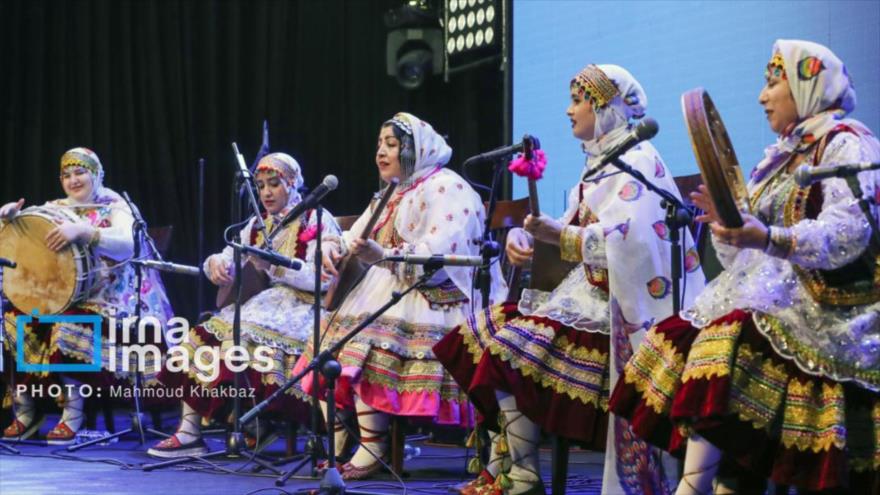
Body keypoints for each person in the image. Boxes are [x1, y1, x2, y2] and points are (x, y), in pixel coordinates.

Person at [610, 39, 880, 494]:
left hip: (835, 308)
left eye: (773, 83)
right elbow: (741, 258)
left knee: (725, 340)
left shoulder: (847, 143)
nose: (761, 96)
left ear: (805, 87)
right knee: (685, 336)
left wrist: (769, 237)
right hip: (777, 298)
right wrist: (728, 227)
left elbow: (849, 233)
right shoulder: (779, 157)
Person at [434, 64, 705, 495]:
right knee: (476, 332)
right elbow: (567, 228)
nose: (568, 110)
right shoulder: (598, 165)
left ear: (606, 107)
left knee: (508, 347)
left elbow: (631, 240)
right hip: (583, 297)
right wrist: (526, 237)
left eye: (577, 100)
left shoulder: (638, 161)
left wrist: (560, 236)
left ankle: (522, 474)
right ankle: (507, 465)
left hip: (620, 308)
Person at [292, 112, 506, 480]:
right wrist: (330, 246)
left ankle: (373, 447)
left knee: (367, 341)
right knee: (326, 342)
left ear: (416, 149)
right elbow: (353, 236)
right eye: (379, 144)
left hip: (439, 294)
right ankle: (341, 440)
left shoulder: (446, 187)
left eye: (391, 144)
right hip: (388, 286)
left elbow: (442, 254)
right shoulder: (391, 192)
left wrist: (386, 257)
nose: (381, 152)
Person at [146, 152, 340, 458]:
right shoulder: (257, 223)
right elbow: (229, 254)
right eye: (261, 185)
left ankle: (256, 423)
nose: (265, 192)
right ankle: (189, 432)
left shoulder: (316, 219)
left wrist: (274, 267)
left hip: (304, 307)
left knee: (243, 336)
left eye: (274, 184)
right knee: (202, 335)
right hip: (266, 304)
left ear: (292, 184)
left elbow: (324, 280)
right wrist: (216, 265)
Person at [1, 147, 174, 444]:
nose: (73, 180)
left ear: (96, 174)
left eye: (80, 172)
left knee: (68, 323)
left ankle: (73, 414)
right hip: (60, 296)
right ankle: (27, 411)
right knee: (11, 319)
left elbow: (128, 246)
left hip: (113, 299)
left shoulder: (115, 206)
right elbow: (21, 247)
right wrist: (7, 220)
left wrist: (84, 231)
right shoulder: (52, 208)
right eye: (66, 175)